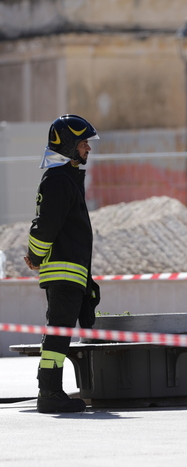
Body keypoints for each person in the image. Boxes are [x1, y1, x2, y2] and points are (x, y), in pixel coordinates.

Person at [23, 114, 101, 414]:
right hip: (64, 270)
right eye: (84, 144)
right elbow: (46, 227)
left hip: (71, 270)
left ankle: (51, 390)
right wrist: (36, 255)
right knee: (58, 331)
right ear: (69, 146)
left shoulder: (65, 178)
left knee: (59, 331)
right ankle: (50, 392)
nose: (88, 150)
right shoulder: (58, 180)